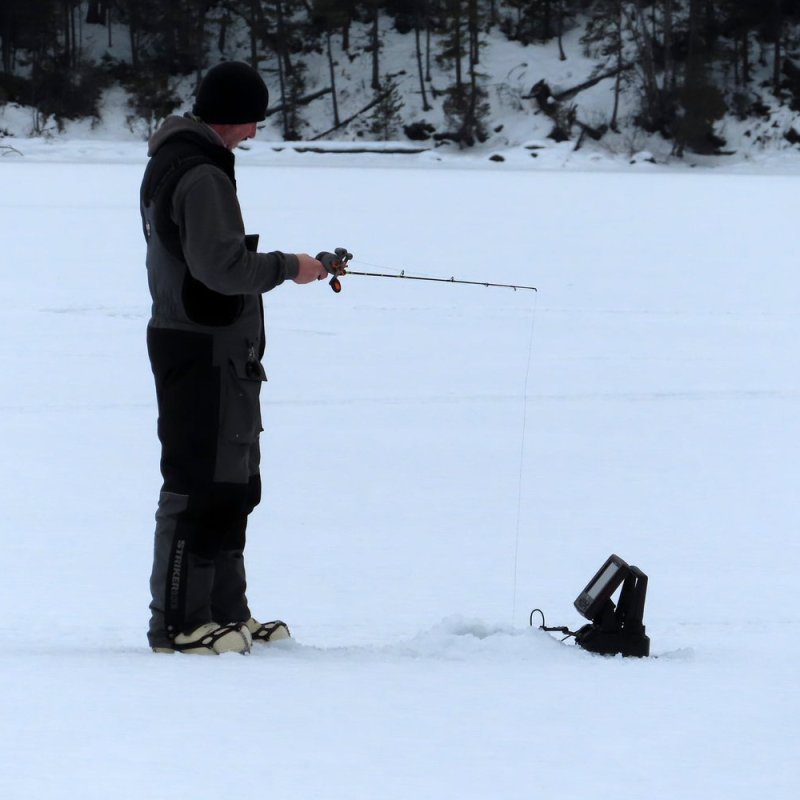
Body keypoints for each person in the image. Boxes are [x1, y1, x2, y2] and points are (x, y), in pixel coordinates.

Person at [140, 61, 329, 654]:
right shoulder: (200, 175)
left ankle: (225, 612)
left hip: (222, 351)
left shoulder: (190, 164)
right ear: (230, 115)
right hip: (202, 350)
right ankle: (178, 623)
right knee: (198, 485)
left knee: (234, 483)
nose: (254, 133)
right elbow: (221, 269)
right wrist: (290, 267)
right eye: (251, 121)